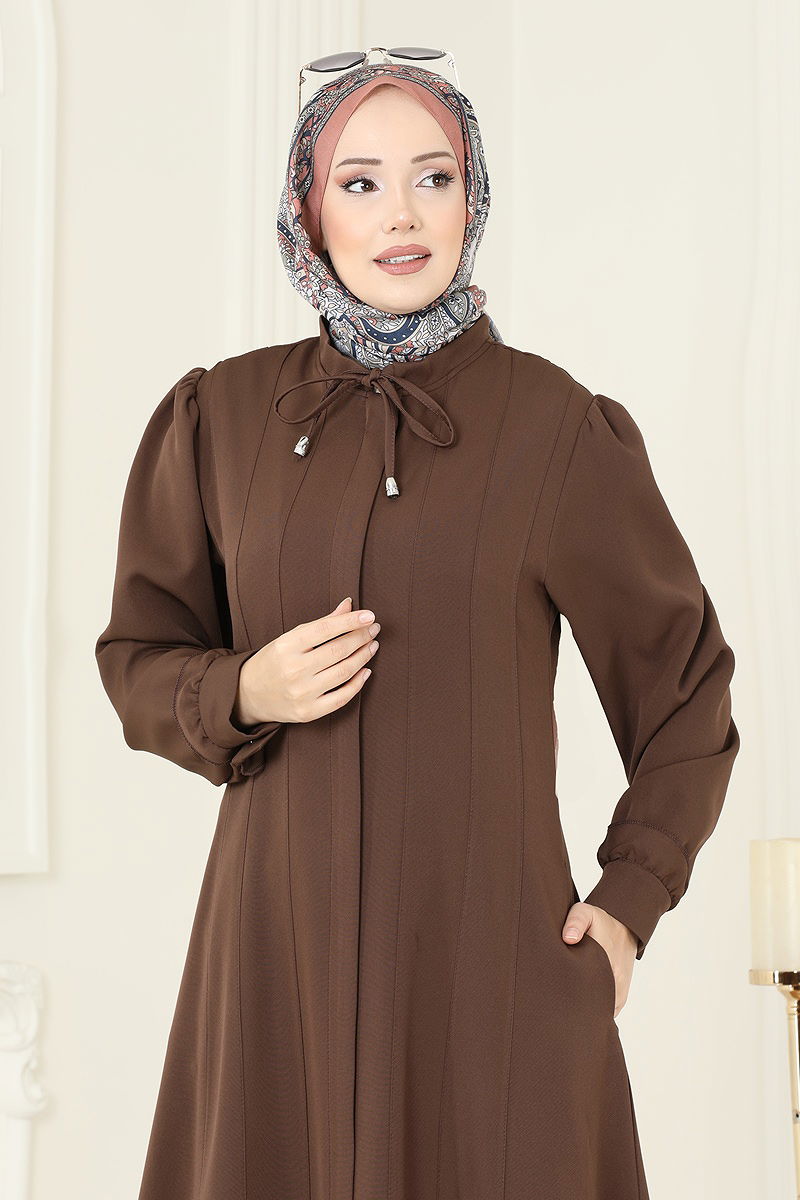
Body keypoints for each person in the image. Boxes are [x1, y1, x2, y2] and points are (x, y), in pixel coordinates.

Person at [95, 54, 740, 1200]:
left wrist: (627, 905)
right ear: (309, 210)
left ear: (470, 195)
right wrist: (245, 690)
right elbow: (138, 658)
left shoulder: (552, 427)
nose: (400, 214)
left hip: (487, 974)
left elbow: (682, 692)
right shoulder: (222, 416)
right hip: (276, 969)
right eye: (359, 182)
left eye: (432, 177)